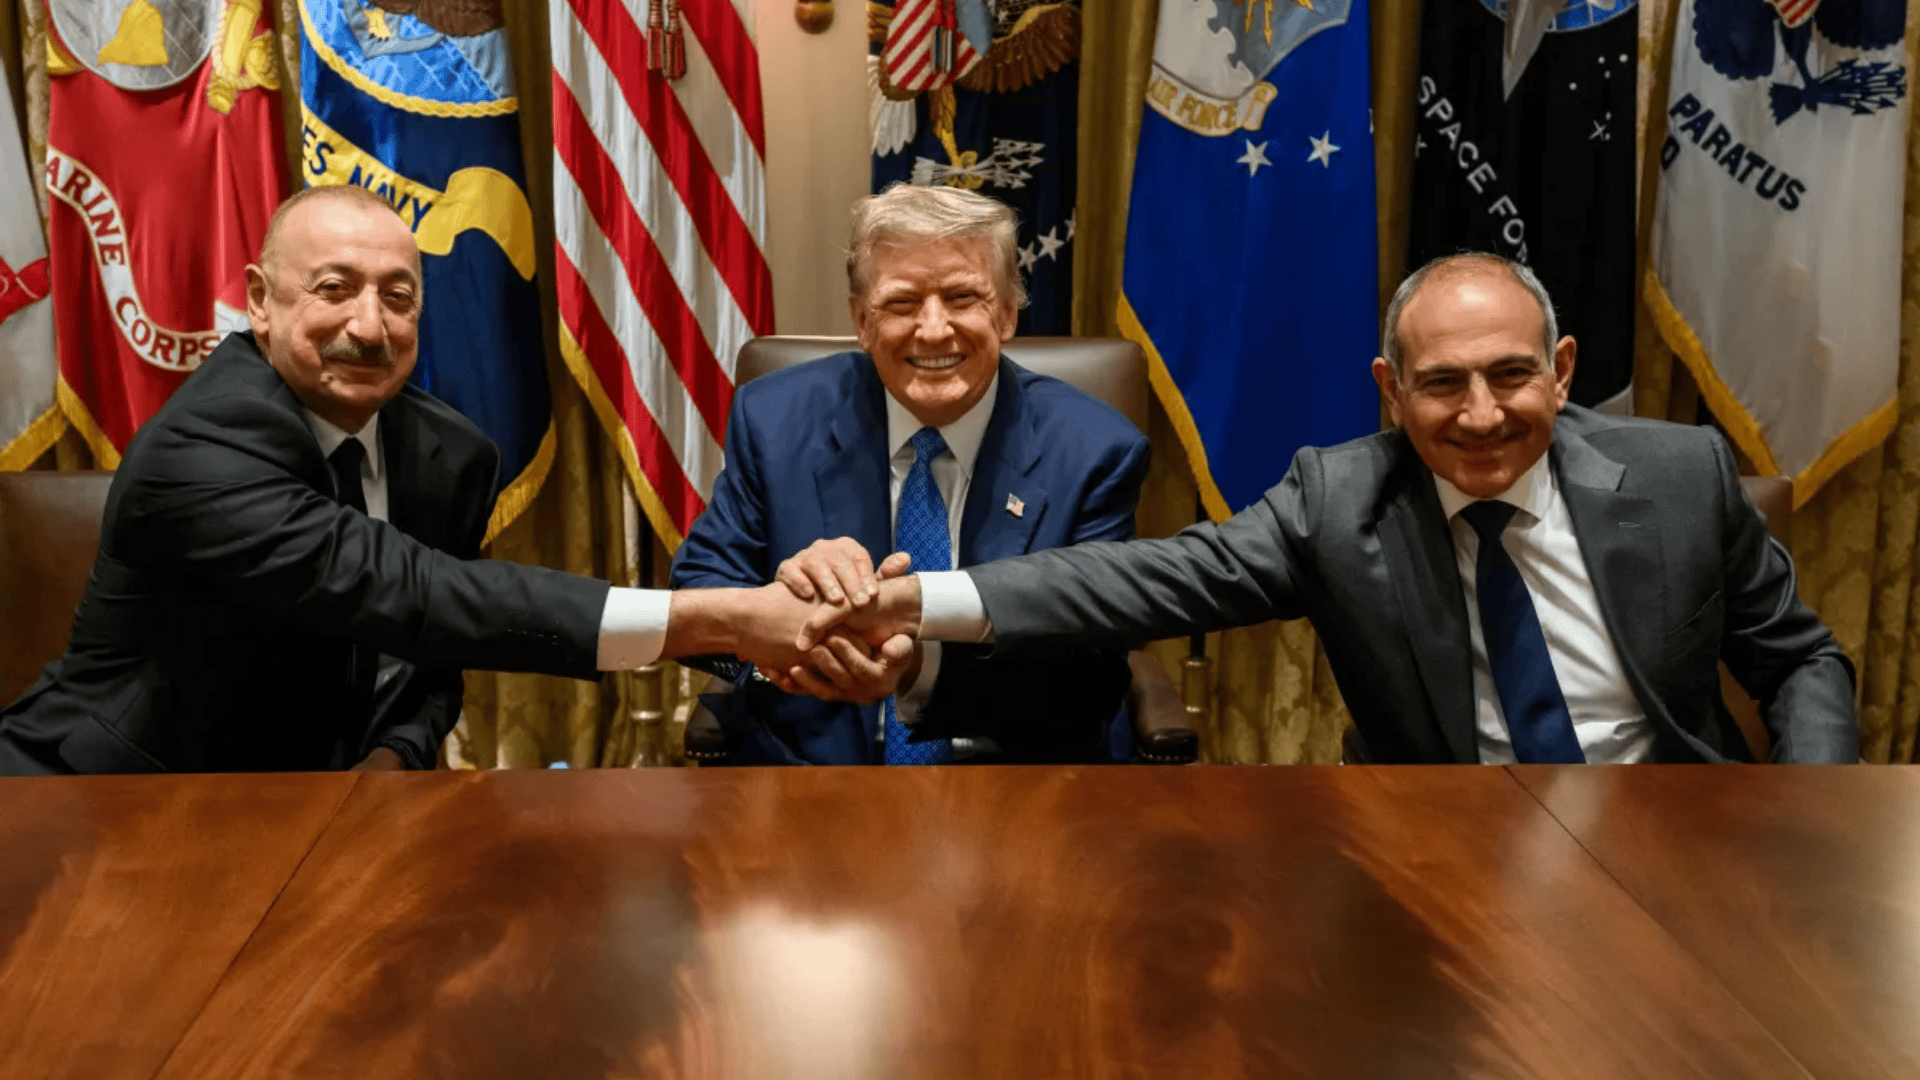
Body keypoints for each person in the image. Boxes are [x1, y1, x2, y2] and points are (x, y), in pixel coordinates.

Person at [804, 253, 1860, 764]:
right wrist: (917, 605)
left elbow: (1800, 660)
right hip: (1444, 849)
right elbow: (1138, 579)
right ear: (1390, 391)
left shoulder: (1681, 475)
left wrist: (1803, 813)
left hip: (1673, 833)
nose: (1483, 414)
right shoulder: (1339, 497)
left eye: (1512, 376)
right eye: (1443, 383)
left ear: (1563, 370)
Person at [0, 185, 879, 775]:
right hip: (105, 802)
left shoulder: (446, 454)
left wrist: (393, 768)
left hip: (323, 815)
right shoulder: (207, 442)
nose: (368, 326)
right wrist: (718, 621)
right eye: (333, 289)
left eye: (398, 295)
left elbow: (429, 660)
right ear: (259, 301)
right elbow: (418, 594)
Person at [670, 184, 1149, 765]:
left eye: (963, 297)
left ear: (1005, 313)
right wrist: (788, 608)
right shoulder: (774, 417)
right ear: (861, 320)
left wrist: (920, 668)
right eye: (901, 303)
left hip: (1017, 774)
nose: (933, 329)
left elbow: (1091, 667)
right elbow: (697, 592)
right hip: (808, 774)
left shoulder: (1095, 450)